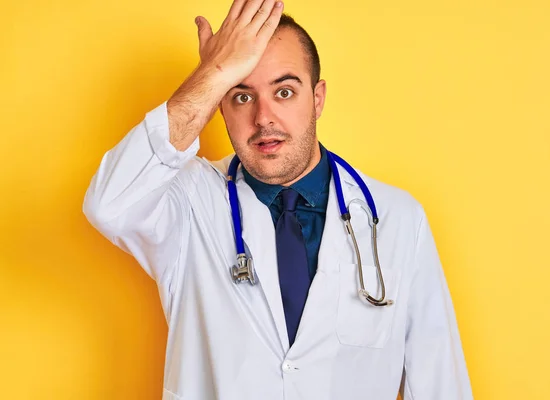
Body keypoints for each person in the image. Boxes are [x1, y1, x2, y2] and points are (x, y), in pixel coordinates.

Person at [83, 0, 473, 399]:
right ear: (219, 105)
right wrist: (214, 73)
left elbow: (441, 385)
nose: (264, 118)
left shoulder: (397, 219)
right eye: (241, 96)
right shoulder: (186, 202)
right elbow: (108, 205)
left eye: (284, 91)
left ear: (317, 98)